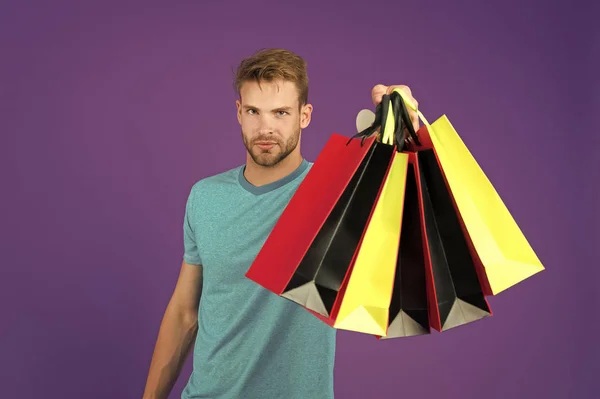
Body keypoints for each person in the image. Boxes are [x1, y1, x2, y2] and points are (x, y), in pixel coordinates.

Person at [142, 48, 420, 399]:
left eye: (281, 113)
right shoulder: (205, 196)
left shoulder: (337, 192)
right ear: (239, 113)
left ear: (304, 116)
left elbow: (408, 219)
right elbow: (185, 312)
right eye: (254, 112)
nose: (265, 128)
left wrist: (403, 128)